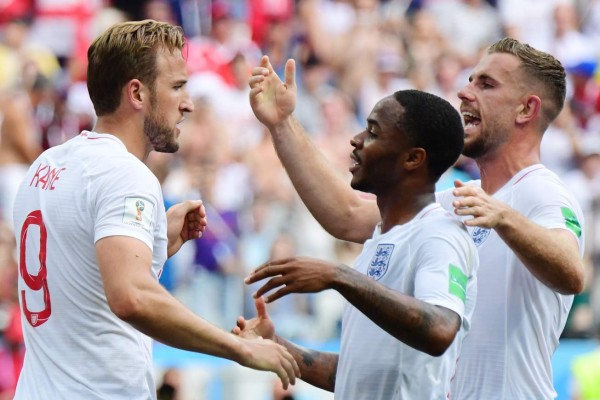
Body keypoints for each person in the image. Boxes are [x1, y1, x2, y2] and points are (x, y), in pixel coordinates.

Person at [244, 37, 586, 399]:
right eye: (470, 80)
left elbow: (571, 273)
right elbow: (345, 215)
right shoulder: (451, 206)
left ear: (525, 110)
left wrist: (503, 217)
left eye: (486, 84)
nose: (465, 92)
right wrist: (282, 124)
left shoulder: (540, 191)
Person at [11, 20, 299, 399]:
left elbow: (83, 276)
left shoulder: (45, 167)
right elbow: (131, 296)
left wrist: (154, 238)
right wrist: (241, 349)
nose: (188, 103)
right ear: (137, 93)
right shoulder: (127, 174)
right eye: (178, 86)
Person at [236, 76, 479, 399]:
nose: (356, 140)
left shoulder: (439, 235)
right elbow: (352, 374)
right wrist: (276, 346)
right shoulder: (379, 240)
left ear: (412, 159)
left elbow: (440, 329)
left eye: (374, 132)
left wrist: (337, 275)